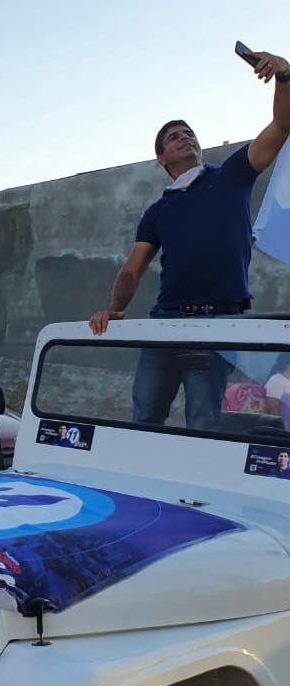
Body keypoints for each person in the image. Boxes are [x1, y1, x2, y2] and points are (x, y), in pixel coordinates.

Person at [88, 49, 290, 429]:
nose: (184, 138)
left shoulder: (230, 176)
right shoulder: (158, 211)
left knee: (203, 423)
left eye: (188, 133)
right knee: (144, 418)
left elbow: (282, 126)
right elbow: (131, 271)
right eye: (173, 137)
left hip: (217, 324)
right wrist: (112, 309)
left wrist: (284, 74)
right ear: (161, 158)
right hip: (165, 324)